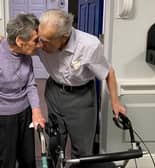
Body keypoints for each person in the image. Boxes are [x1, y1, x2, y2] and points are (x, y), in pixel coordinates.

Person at [36, 9, 126, 164]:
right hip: (54, 92)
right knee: (55, 141)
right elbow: (16, 44)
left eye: (45, 41)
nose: (39, 45)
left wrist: (115, 102)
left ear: (64, 37)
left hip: (81, 98)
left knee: (83, 150)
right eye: (39, 38)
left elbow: (108, 73)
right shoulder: (41, 39)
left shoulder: (89, 46)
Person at [0, 13, 45, 168]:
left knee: (28, 160)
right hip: (4, 118)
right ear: (20, 41)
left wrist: (36, 110)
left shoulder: (26, 55)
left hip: (25, 113)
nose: (39, 45)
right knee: (7, 161)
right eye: (35, 40)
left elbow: (30, 84)